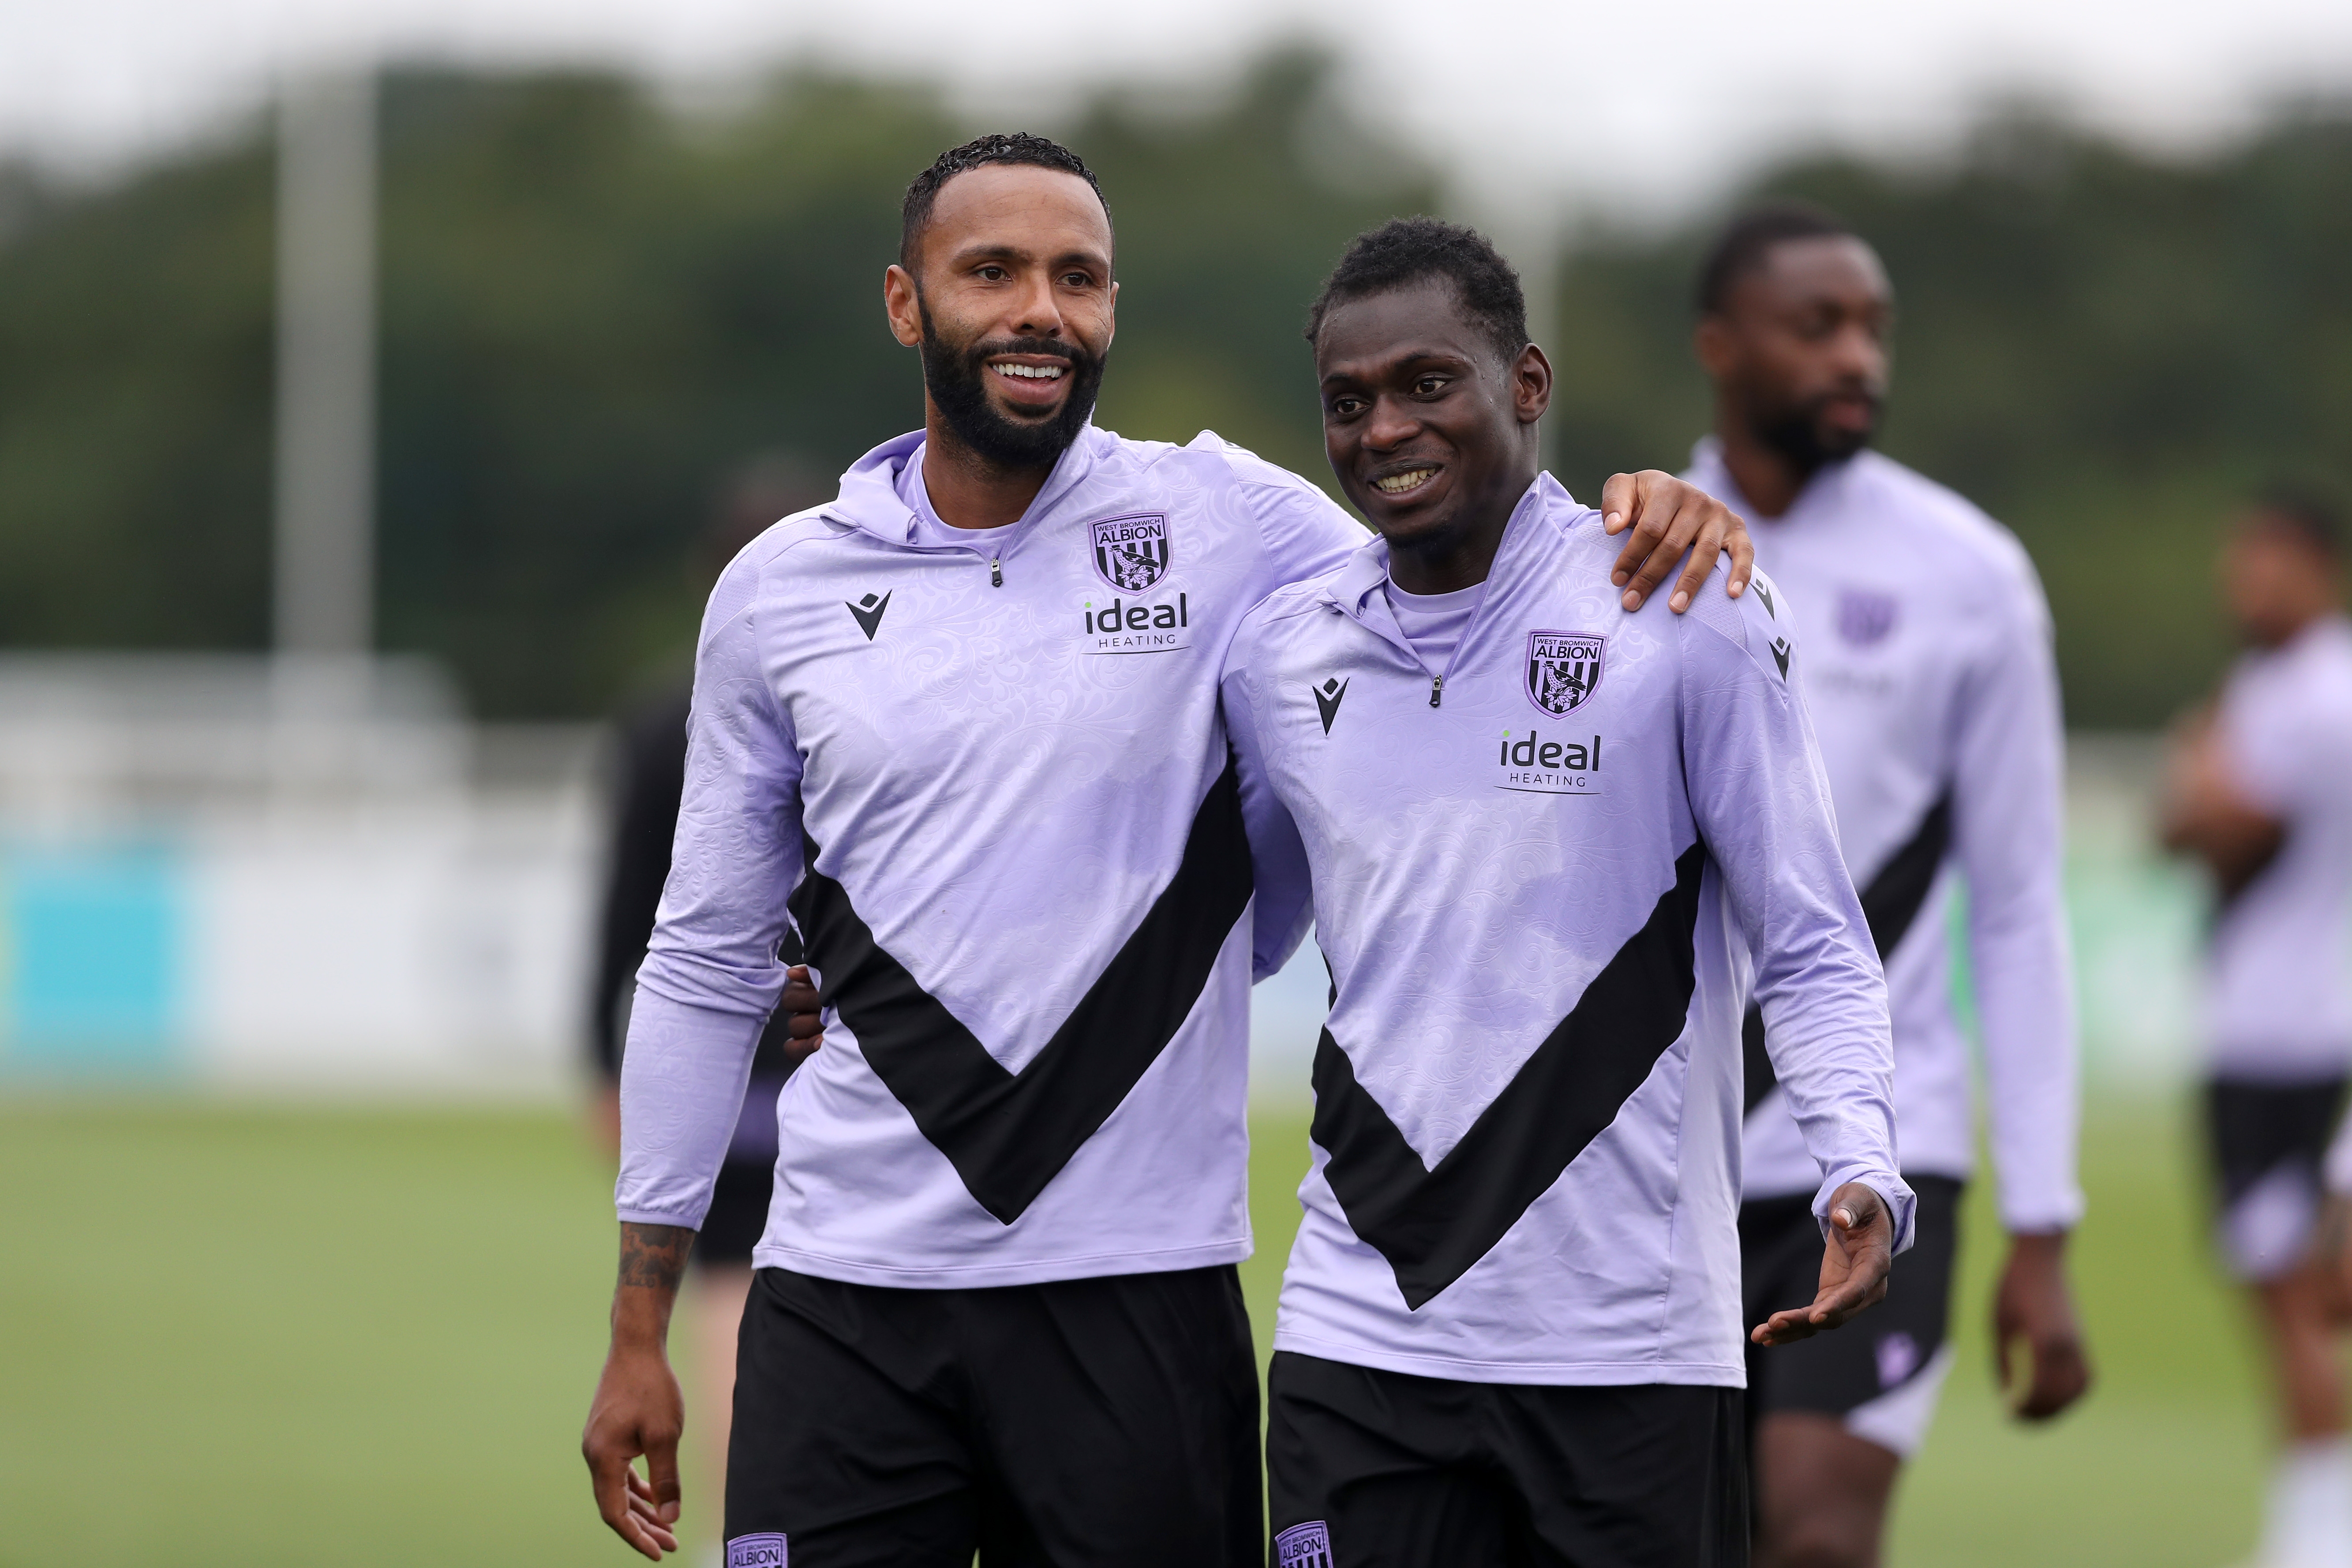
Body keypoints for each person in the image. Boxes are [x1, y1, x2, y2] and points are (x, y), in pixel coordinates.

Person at [578, 132, 1757, 1567]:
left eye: (1078, 277)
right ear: (906, 304)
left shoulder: (1232, 521)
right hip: (839, 1295)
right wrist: (642, 1324)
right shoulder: (780, 592)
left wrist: (1631, 513)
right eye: (992, 270)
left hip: (1137, 1297)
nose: (1040, 309)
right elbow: (704, 960)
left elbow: (1461, 564)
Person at [1228, 216, 1911, 1568]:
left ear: (1525, 385)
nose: (1383, 428)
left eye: (1428, 383)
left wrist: (1859, 1160)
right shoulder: (1279, 655)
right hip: (1358, 1330)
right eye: (1347, 402)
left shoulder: (1685, 604)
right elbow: (1224, 933)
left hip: (1630, 1349)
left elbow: (1811, 935)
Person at [1677, 203, 2093, 1567]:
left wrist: (2040, 1221)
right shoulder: (1623, 557)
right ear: (1720, 346)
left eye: (1872, 329)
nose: (1856, 356)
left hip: (1878, 1158)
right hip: (1656, 1162)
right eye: (1817, 327)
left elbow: (2021, 908)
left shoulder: (1967, 578)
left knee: (1815, 1531)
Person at [587, 455, 833, 1556]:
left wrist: (601, 1065)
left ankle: (761, 1515)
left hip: (718, 1065)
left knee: (733, 1287)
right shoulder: (862, 690)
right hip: (837, 1051)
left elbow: (618, 921)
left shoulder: (659, 722)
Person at [2162, 485, 2352, 1568]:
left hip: (2288, 1038)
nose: (2243, 581)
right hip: (2276, 1027)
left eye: (2264, 560)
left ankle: (2316, 1537)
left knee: (2289, 1296)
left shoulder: (2306, 694)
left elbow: (2215, 828)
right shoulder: (2275, 684)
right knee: (2289, 1291)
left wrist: (2194, 775)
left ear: (2314, 566)